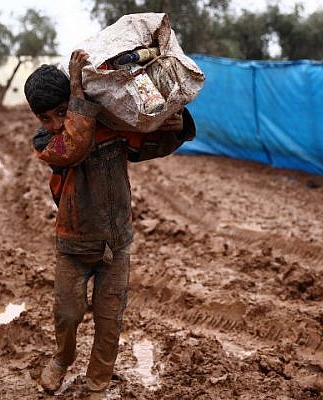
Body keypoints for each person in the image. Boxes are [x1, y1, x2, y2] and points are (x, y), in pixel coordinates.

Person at [24, 49, 195, 393]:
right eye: (47, 117)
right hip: (73, 245)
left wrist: (175, 126)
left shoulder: (109, 128)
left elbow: (148, 145)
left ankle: (98, 380)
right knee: (68, 314)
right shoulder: (48, 143)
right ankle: (61, 359)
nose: (56, 122)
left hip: (116, 244)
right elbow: (74, 145)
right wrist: (75, 95)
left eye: (61, 112)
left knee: (109, 320)